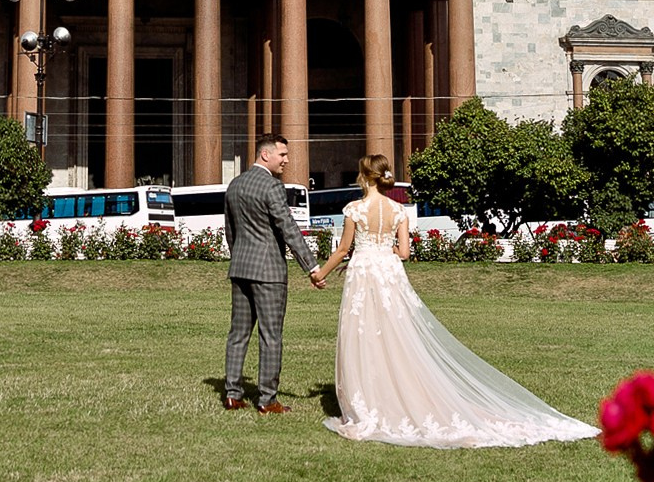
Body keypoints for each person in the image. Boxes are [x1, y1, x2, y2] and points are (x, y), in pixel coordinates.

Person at [310, 154, 596, 448]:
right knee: (397, 334)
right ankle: (396, 391)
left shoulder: (355, 209)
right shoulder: (398, 210)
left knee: (364, 333)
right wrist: (381, 252)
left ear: (364, 176)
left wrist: (321, 273)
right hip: (389, 272)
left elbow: (343, 249)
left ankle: (371, 398)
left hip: (364, 272)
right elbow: (404, 253)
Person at [222, 134, 323, 413]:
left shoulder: (235, 184)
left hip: (240, 268)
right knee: (271, 336)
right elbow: (287, 227)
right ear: (265, 155)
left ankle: (232, 394)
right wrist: (312, 266)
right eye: (283, 155)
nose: (286, 160)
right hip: (268, 272)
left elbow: (230, 229)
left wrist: (238, 256)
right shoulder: (272, 186)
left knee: (238, 334)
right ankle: (267, 400)